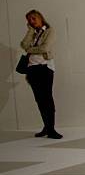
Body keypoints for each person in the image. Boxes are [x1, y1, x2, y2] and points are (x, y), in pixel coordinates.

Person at [20, 10, 62, 139]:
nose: (31, 21)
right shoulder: (33, 33)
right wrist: (30, 30)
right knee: (39, 100)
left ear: (40, 18)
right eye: (29, 20)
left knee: (47, 98)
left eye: (33, 18)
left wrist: (30, 49)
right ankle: (46, 127)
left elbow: (45, 48)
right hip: (32, 69)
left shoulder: (50, 31)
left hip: (45, 68)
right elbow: (23, 44)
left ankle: (52, 129)